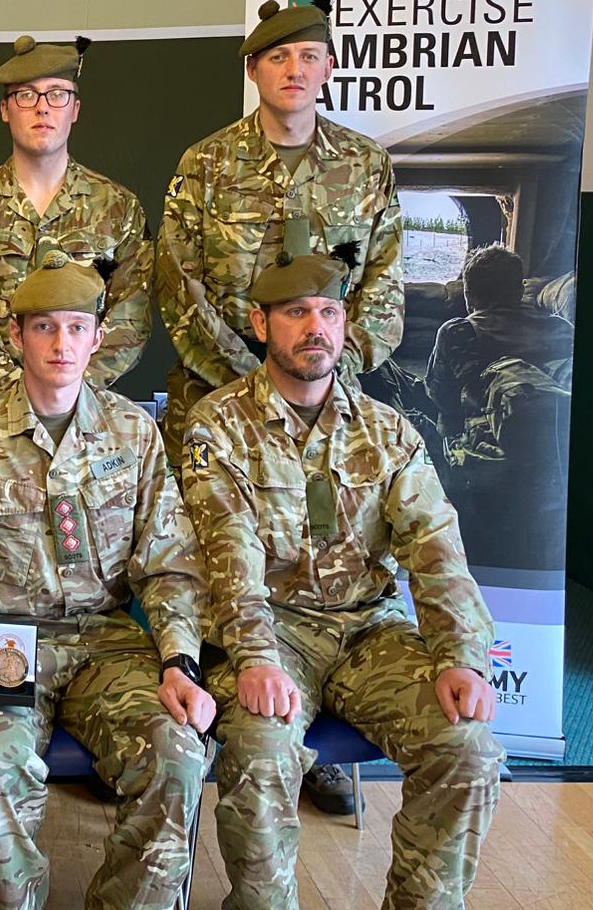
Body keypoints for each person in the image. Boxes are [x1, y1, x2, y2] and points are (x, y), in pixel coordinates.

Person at [183, 252, 503, 910]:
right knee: (261, 749)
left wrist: (461, 657)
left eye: (329, 312)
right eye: (296, 312)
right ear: (260, 322)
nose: (315, 328)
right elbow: (226, 547)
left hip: (369, 633)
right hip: (270, 632)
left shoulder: (388, 433)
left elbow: (435, 547)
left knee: (466, 747)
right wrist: (254, 656)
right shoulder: (217, 425)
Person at [156, 0, 405, 814]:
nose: (294, 71)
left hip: (330, 406)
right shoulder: (205, 165)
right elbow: (179, 286)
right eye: (277, 59)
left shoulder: (365, 166)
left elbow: (384, 287)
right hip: (219, 407)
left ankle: (326, 749)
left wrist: (327, 363)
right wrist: (248, 380)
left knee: (329, 562)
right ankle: (223, 724)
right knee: (224, 562)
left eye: (309, 58)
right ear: (255, 70)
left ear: (328, 69)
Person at [0, 253, 212, 910]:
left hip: (106, 641)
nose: (60, 344)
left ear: (98, 337)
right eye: (44, 327)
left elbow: (168, 564)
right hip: (4, 640)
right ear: (17, 334)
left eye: (76, 327)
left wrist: (179, 661)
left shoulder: (133, 433)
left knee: (177, 756)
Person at [0, 35, 152, 400]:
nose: (42, 109)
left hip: (90, 412)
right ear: (5, 110)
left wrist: (71, 394)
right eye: (26, 95)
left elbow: (131, 318)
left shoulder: (117, 207)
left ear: (75, 109)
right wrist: (21, 395)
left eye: (57, 94)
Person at [426, 244, 574, 435]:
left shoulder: (458, 332)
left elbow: (439, 396)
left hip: (484, 446)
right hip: (556, 440)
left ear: (469, 297)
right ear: (520, 291)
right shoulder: (562, 328)